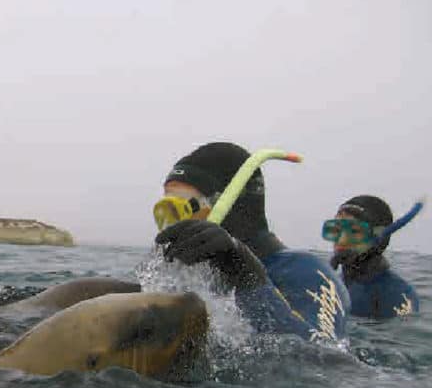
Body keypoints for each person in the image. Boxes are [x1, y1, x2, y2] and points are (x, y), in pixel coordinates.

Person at [153, 142, 351, 342]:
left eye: (183, 207)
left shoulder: (309, 271)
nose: (176, 224)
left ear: (233, 205)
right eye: (166, 211)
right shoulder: (205, 277)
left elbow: (324, 357)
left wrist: (243, 273)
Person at [323, 195, 420, 318]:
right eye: (337, 229)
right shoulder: (332, 285)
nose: (341, 240)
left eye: (354, 231)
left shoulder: (398, 294)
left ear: (379, 239)